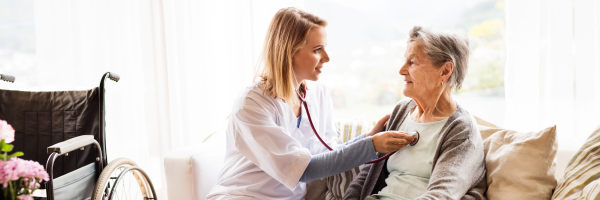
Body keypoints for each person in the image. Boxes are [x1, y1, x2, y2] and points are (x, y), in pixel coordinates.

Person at [206, 7, 414, 200]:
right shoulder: (251, 104)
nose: (327, 57)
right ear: (288, 52)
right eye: (317, 49)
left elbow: (326, 156)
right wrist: (371, 145)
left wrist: (367, 137)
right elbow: (305, 170)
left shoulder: (318, 93)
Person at [343, 26, 487, 200]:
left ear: (445, 71)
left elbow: (442, 195)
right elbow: (369, 173)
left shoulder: (462, 130)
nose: (402, 70)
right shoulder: (402, 110)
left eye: (412, 62)